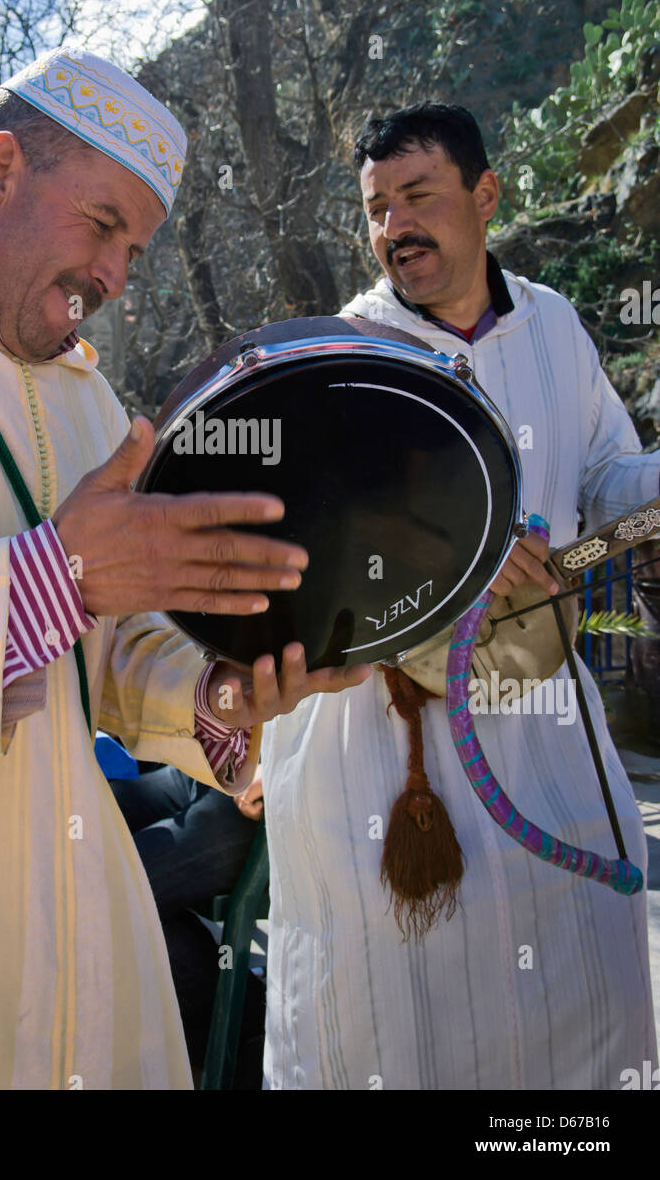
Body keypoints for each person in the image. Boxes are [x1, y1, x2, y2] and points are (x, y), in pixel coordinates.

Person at [0, 46, 370, 1090]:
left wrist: (219, 691)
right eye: (102, 225)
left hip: (77, 947)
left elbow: (101, 653)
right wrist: (43, 580)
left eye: (135, 252)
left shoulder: (88, 405)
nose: (111, 277)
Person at [260, 102, 659, 1090]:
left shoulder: (553, 327)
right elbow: (297, 557)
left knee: (577, 1017)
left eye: (417, 196)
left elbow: (608, 481)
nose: (394, 223)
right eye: (374, 206)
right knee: (396, 1025)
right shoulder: (342, 355)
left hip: (540, 716)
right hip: (384, 748)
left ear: (484, 196)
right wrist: (450, 581)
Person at [110, 761, 266, 1088]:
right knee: (87, 811)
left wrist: (276, 768)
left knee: (113, 887)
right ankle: (239, 1019)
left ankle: (245, 1021)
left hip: (256, 796)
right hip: (209, 767)